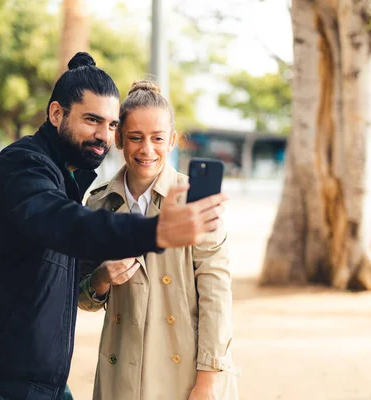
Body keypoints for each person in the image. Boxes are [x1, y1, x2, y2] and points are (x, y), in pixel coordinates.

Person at [0, 53, 227, 400]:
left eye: (111, 124)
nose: (102, 135)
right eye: (92, 120)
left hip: (28, 368)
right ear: (56, 114)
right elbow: (65, 223)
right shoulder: (25, 166)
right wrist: (154, 232)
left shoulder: (68, 172)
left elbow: (216, 293)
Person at [79, 80, 239, 400]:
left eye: (157, 138)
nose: (146, 149)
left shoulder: (195, 201)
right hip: (119, 373)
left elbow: (216, 294)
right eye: (135, 138)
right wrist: (102, 278)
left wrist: (207, 382)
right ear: (120, 139)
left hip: (188, 374)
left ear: (172, 142)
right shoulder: (98, 204)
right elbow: (83, 297)